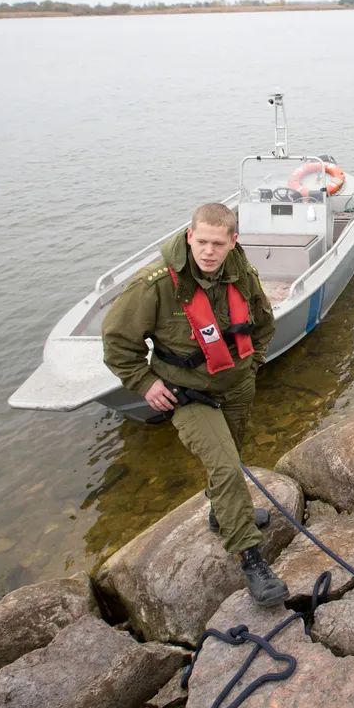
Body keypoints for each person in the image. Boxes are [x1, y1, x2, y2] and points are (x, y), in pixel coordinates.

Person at [101, 202, 289, 605]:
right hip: (187, 393)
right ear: (189, 237)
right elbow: (117, 344)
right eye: (201, 241)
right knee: (223, 465)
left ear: (232, 241)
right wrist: (145, 383)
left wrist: (254, 360)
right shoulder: (155, 284)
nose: (208, 251)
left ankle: (222, 513)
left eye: (217, 243)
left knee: (233, 455)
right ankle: (251, 558)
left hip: (237, 383)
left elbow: (263, 319)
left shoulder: (240, 272)